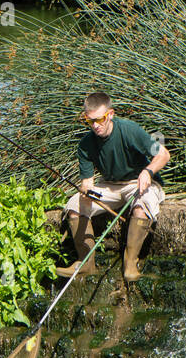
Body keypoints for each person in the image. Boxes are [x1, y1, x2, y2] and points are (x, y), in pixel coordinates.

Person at [56, 92, 169, 282]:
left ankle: (131, 265)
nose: (95, 125)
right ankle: (86, 264)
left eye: (99, 120)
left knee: (142, 207)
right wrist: (86, 190)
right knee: (74, 205)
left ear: (110, 114)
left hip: (140, 182)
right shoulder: (85, 145)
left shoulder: (130, 130)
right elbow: (87, 181)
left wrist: (148, 172)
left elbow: (163, 155)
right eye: (89, 121)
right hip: (110, 186)